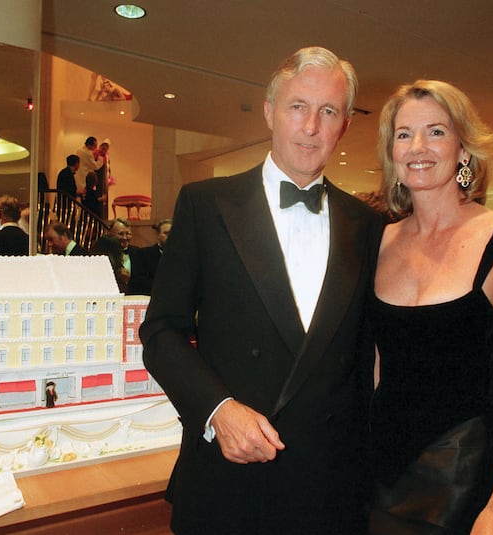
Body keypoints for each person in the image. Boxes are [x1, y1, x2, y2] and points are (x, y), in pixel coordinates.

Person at [140, 46, 380, 534]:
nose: (311, 126)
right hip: (228, 484)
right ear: (270, 112)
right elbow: (161, 332)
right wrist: (217, 411)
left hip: (330, 492)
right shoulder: (206, 205)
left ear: (344, 125)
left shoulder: (368, 225)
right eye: (298, 106)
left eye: (328, 111)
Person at [369, 80, 493, 534]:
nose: (417, 147)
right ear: (392, 152)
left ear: (464, 149)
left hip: (466, 473)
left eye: (436, 131)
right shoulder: (378, 242)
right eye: (404, 134)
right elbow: (376, 366)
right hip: (379, 467)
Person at [128, 218, 171, 295]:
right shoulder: (143, 254)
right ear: (157, 235)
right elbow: (138, 281)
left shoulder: (181, 256)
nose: (170, 236)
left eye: (172, 233)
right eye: (166, 233)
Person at [94, 138, 112, 219]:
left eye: (106, 147)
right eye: (103, 146)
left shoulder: (107, 158)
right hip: (98, 182)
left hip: (104, 182)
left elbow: (108, 170)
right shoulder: (97, 156)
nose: (104, 149)